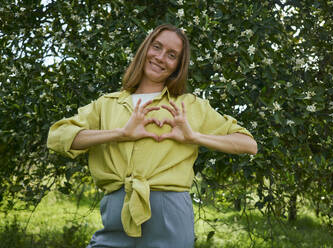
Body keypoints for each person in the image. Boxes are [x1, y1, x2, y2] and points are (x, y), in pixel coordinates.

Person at [47, 24, 257, 248]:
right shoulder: (107, 104)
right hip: (117, 209)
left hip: (169, 214)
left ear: (177, 66)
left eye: (172, 55)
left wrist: (194, 137)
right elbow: (58, 137)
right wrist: (120, 133)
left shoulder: (189, 106)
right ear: (145, 49)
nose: (160, 57)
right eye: (156, 47)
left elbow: (248, 144)